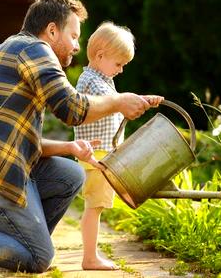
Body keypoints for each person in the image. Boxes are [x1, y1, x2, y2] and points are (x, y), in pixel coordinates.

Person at [0, 0, 161, 273]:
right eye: (73, 36)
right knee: (39, 259)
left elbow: (19, 141)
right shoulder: (36, 50)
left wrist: (69, 148)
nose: (76, 46)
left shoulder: (13, 50)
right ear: (51, 30)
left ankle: (23, 245)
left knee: (71, 174)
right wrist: (119, 102)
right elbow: (71, 108)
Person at [73, 22, 163, 270]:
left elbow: (120, 104)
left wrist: (142, 101)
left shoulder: (99, 79)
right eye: (119, 64)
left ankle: (91, 254)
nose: (121, 70)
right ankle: (90, 258)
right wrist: (134, 101)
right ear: (100, 56)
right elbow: (113, 103)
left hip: (104, 155)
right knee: (95, 206)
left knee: (97, 205)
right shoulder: (91, 82)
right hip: (98, 156)